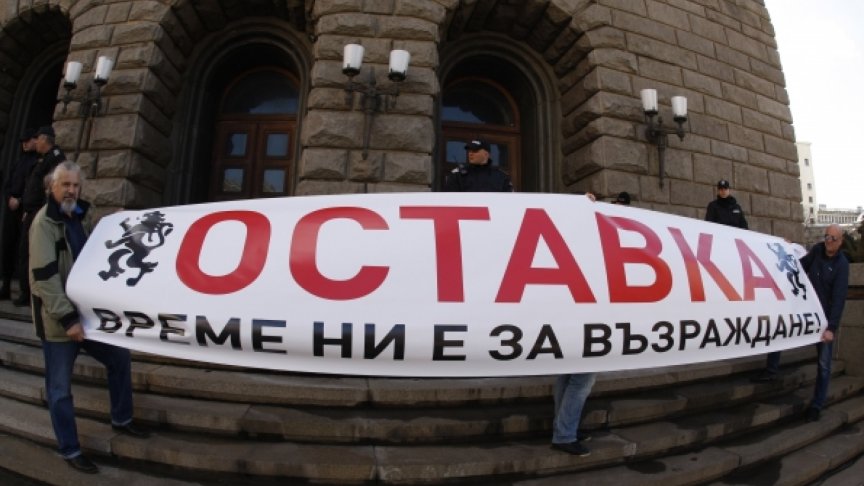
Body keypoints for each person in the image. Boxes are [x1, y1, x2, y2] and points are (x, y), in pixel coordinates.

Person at [30, 161, 149, 474]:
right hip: (61, 322)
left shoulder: (82, 215)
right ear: (51, 188)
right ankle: (70, 449)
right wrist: (68, 319)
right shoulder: (44, 224)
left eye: (75, 185)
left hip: (90, 317)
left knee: (119, 357)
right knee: (59, 389)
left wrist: (116, 224)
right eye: (65, 185)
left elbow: (98, 249)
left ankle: (121, 418)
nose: (71, 190)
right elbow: (44, 278)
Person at [751, 224, 849, 422]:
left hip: (823, 319)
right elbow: (799, 265)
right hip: (804, 309)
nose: (828, 241)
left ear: (840, 242)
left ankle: (817, 405)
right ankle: (771, 369)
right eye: (827, 236)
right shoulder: (817, 251)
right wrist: (787, 249)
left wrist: (831, 328)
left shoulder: (842, 265)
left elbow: (839, 298)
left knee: (824, 364)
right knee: (780, 329)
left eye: (833, 238)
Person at [16, 125, 65, 306]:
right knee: (25, 252)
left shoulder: (55, 158)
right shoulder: (42, 159)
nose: (35, 142)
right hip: (32, 212)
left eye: (37, 139)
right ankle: (26, 291)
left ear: (44, 139)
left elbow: (53, 188)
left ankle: (32, 294)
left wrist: (42, 212)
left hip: (40, 213)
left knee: (36, 254)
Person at [0, 128, 38, 299]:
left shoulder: (37, 162)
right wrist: (9, 198)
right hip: (12, 209)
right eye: (23, 141)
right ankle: (6, 284)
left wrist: (20, 201)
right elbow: (8, 183)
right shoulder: (19, 162)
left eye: (28, 140)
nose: (25, 144)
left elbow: (32, 187)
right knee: (7, 245)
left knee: (24, 250)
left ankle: (24, 290)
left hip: (25, 210)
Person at [443, 139, 514, 192]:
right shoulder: (457, 174)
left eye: (475, 151)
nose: (470, 153)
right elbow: (449, 200)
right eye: (469, 151)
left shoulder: (501, 176)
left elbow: (510, 201)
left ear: (486, 154)